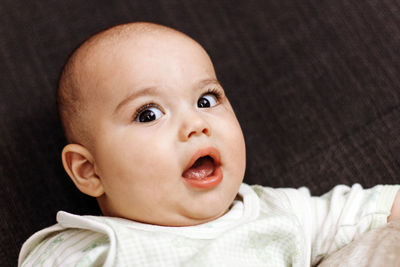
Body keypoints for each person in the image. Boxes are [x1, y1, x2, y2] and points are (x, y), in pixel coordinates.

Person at [18, 22, 400, 266]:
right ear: (89, 170)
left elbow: (369, 210)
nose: (196, 124)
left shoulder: (275, 211)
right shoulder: (88, 250)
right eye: (149, 114)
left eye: (206, 100)